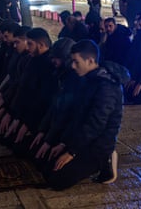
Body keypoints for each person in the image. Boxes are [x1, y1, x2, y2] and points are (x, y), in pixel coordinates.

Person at [43, 39, 129, 190]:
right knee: (45, 163)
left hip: (98, 145)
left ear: (90, 61)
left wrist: (71, 152)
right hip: (82, 140)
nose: (72, 66)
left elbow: (95, 124)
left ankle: (105, 160)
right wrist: (64, 143)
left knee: (56, 180)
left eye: (76, 62)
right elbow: (77, 115)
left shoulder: (106, 87)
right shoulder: (88, 79)